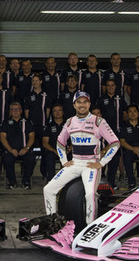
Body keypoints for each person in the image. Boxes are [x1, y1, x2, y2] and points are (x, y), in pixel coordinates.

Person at [43, 91, 120, 222]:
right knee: (48, 189)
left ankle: (90, 226)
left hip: (91, 165)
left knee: (90, 194)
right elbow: (60, 142)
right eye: (79, 102)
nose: (82, 105)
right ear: (74, 105)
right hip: (74, 163)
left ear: (89, 104)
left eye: (85, 102)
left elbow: (115, 143)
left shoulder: (98, 121)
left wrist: (102, 163)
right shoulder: (69, 122)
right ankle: (52, 222)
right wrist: (63, 160)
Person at [96, 79, 128, 189]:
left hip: (117, 131)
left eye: (112, 85)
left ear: (115, 86)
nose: (110, 87)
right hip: (104, 131)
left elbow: (124, 114)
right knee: (104, 153)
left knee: (115, 156)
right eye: (108, 85)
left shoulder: (120, 98)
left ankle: (112, 180)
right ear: (105, 87)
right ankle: (101, 177)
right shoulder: (101, 99)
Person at [0, 102, 36, 189]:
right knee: (7, 159)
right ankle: (12, 182)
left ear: (21, 110)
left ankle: (26, 181)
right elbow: (2, 137)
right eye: (12, 109)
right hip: (11, 150)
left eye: (17, 109)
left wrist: (26, 148)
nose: (15, 111)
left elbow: (32, 137)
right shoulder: (6, 122)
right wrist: (10, 149)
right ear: (10, 111)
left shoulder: (27, 122)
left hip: (24, 149)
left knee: (31, 158)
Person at [41, 104, 67, 182]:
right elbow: (45, 143)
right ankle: (51, 181)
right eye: (55, 111)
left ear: (63, 112)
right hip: (53, 151)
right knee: (49, 157)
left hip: (67, 150)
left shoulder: (68, 125)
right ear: (52, 113)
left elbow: (75, 139)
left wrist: (68, 150)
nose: (57, 113)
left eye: (59, 110)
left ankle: (67, 180)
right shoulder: (48, 126)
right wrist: (55, 151)